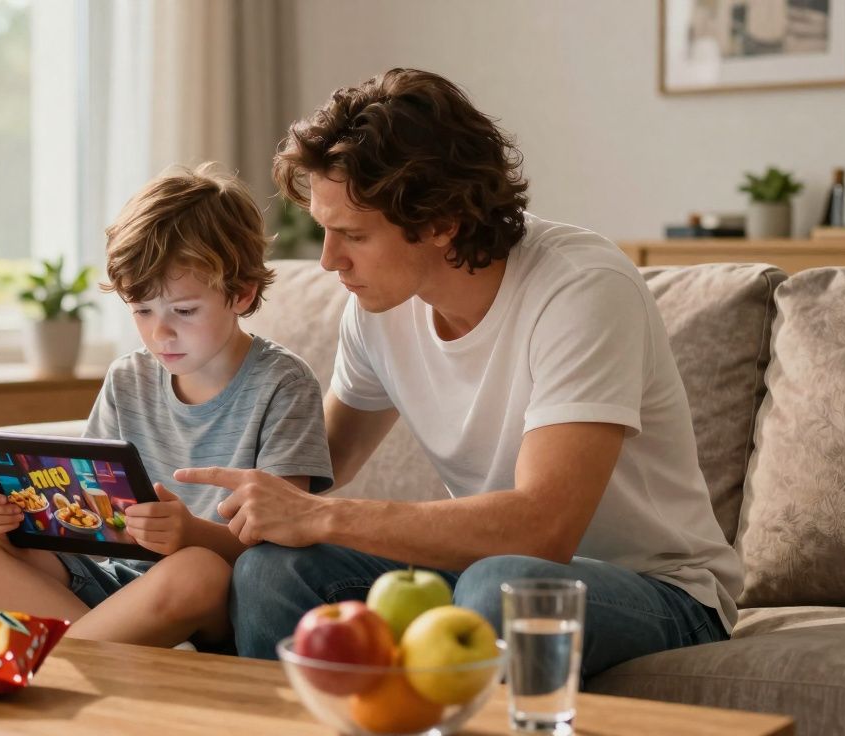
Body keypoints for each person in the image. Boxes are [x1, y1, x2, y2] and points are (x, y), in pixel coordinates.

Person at [175, 68, 743, 675]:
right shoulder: (378, 310)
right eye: (323, 229)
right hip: (480, 574)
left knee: (501, 589)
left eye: (353, 235)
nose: (327, 260)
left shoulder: (580, 290)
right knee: (272, 572)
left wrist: (321, 517)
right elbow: (312, 469)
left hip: (658, 590)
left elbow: (543, 529)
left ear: (442, 222)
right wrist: (184, 492)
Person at [0, 163, 333, 650]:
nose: (160, 332)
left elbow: (284, 542)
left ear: (241, 293)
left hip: (206, 594)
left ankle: (63, 660)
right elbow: (86, 516)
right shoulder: (128, 377)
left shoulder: (283, 385)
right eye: (141, 310)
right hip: (114, 583)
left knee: (197, 569)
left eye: (183, 311)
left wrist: (190, 533)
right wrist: (20, 515)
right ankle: (103, 654)